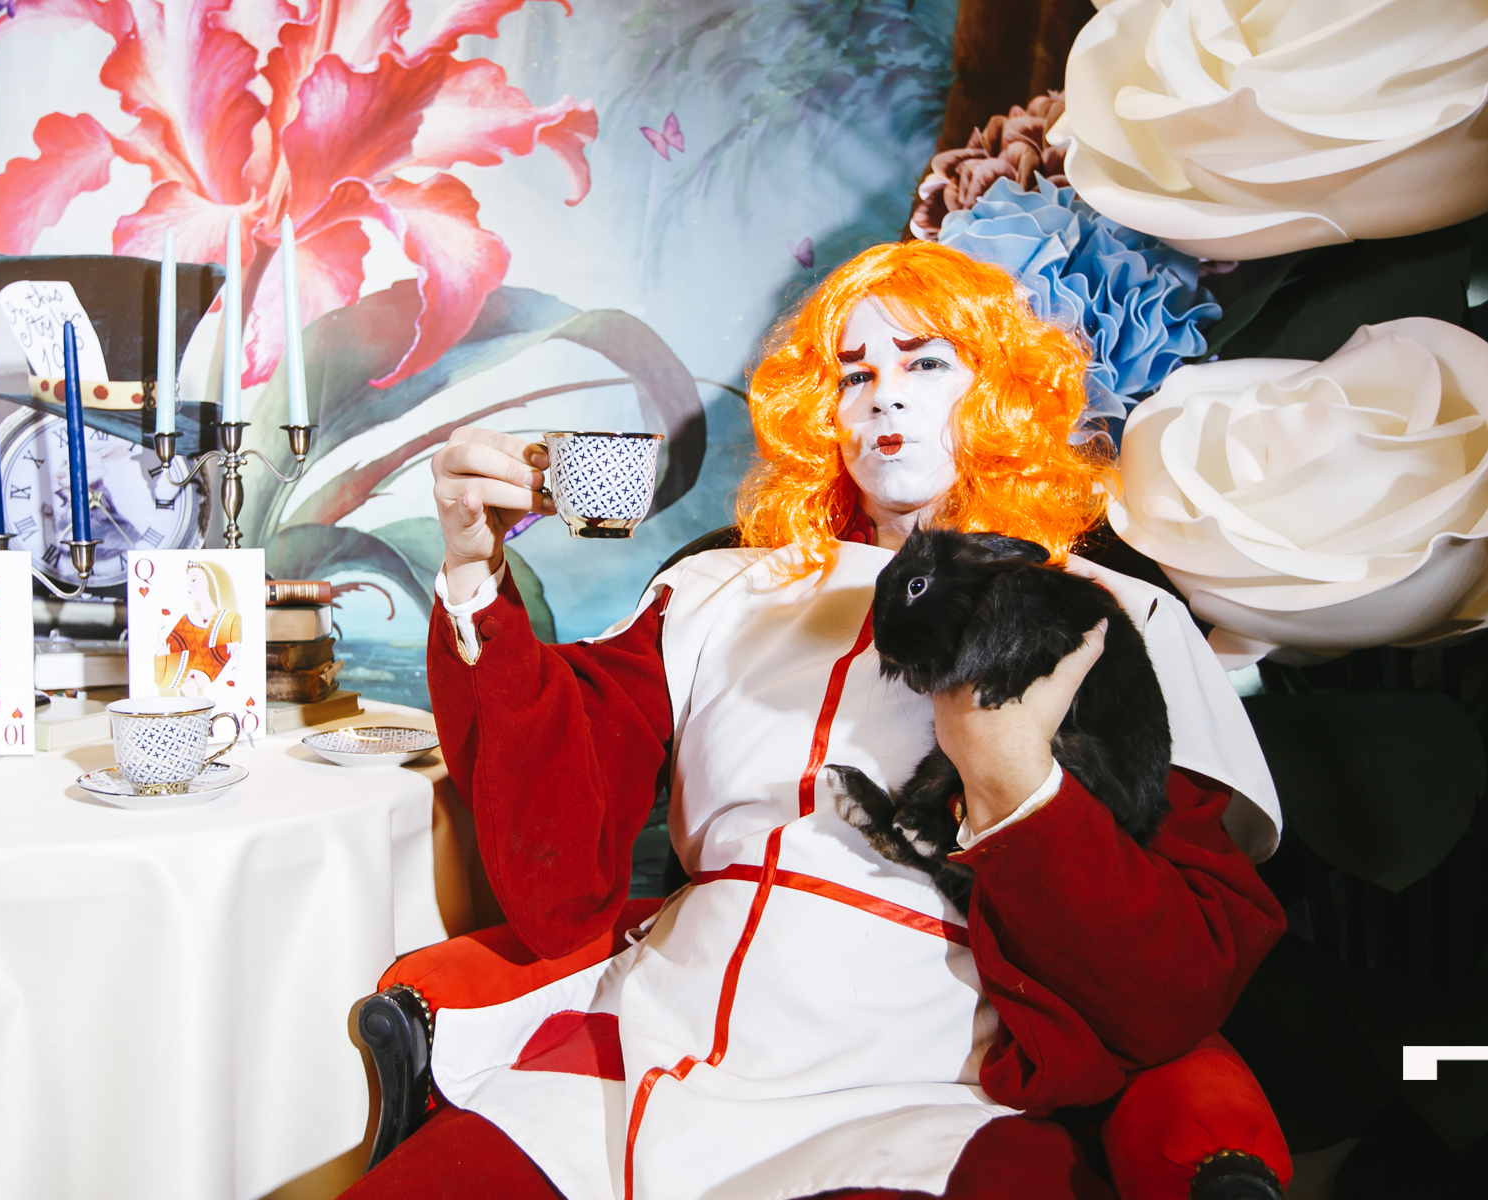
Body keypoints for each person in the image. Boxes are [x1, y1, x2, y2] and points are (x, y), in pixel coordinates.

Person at [351, 241, 1292, 1199]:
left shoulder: (1112, 618)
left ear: (999, 389)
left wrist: (1012, 781)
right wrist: (474, 574)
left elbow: (1176, 978)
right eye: (854, 375)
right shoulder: (716, 588)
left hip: (927, 1096)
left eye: (926, 363)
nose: (884, 398)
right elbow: (555, 847)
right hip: (642, 1058)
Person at [153, 559, 242, 697]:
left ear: (209, 582)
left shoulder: (228, 619)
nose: (187, 585)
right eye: (189, 580)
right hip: (185, 674)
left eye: (193, 580)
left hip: (209, 672)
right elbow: (168, 654)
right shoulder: (186, 619)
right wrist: (163, 655)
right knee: (186, 684)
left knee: (189, 685)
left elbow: (230, 650)